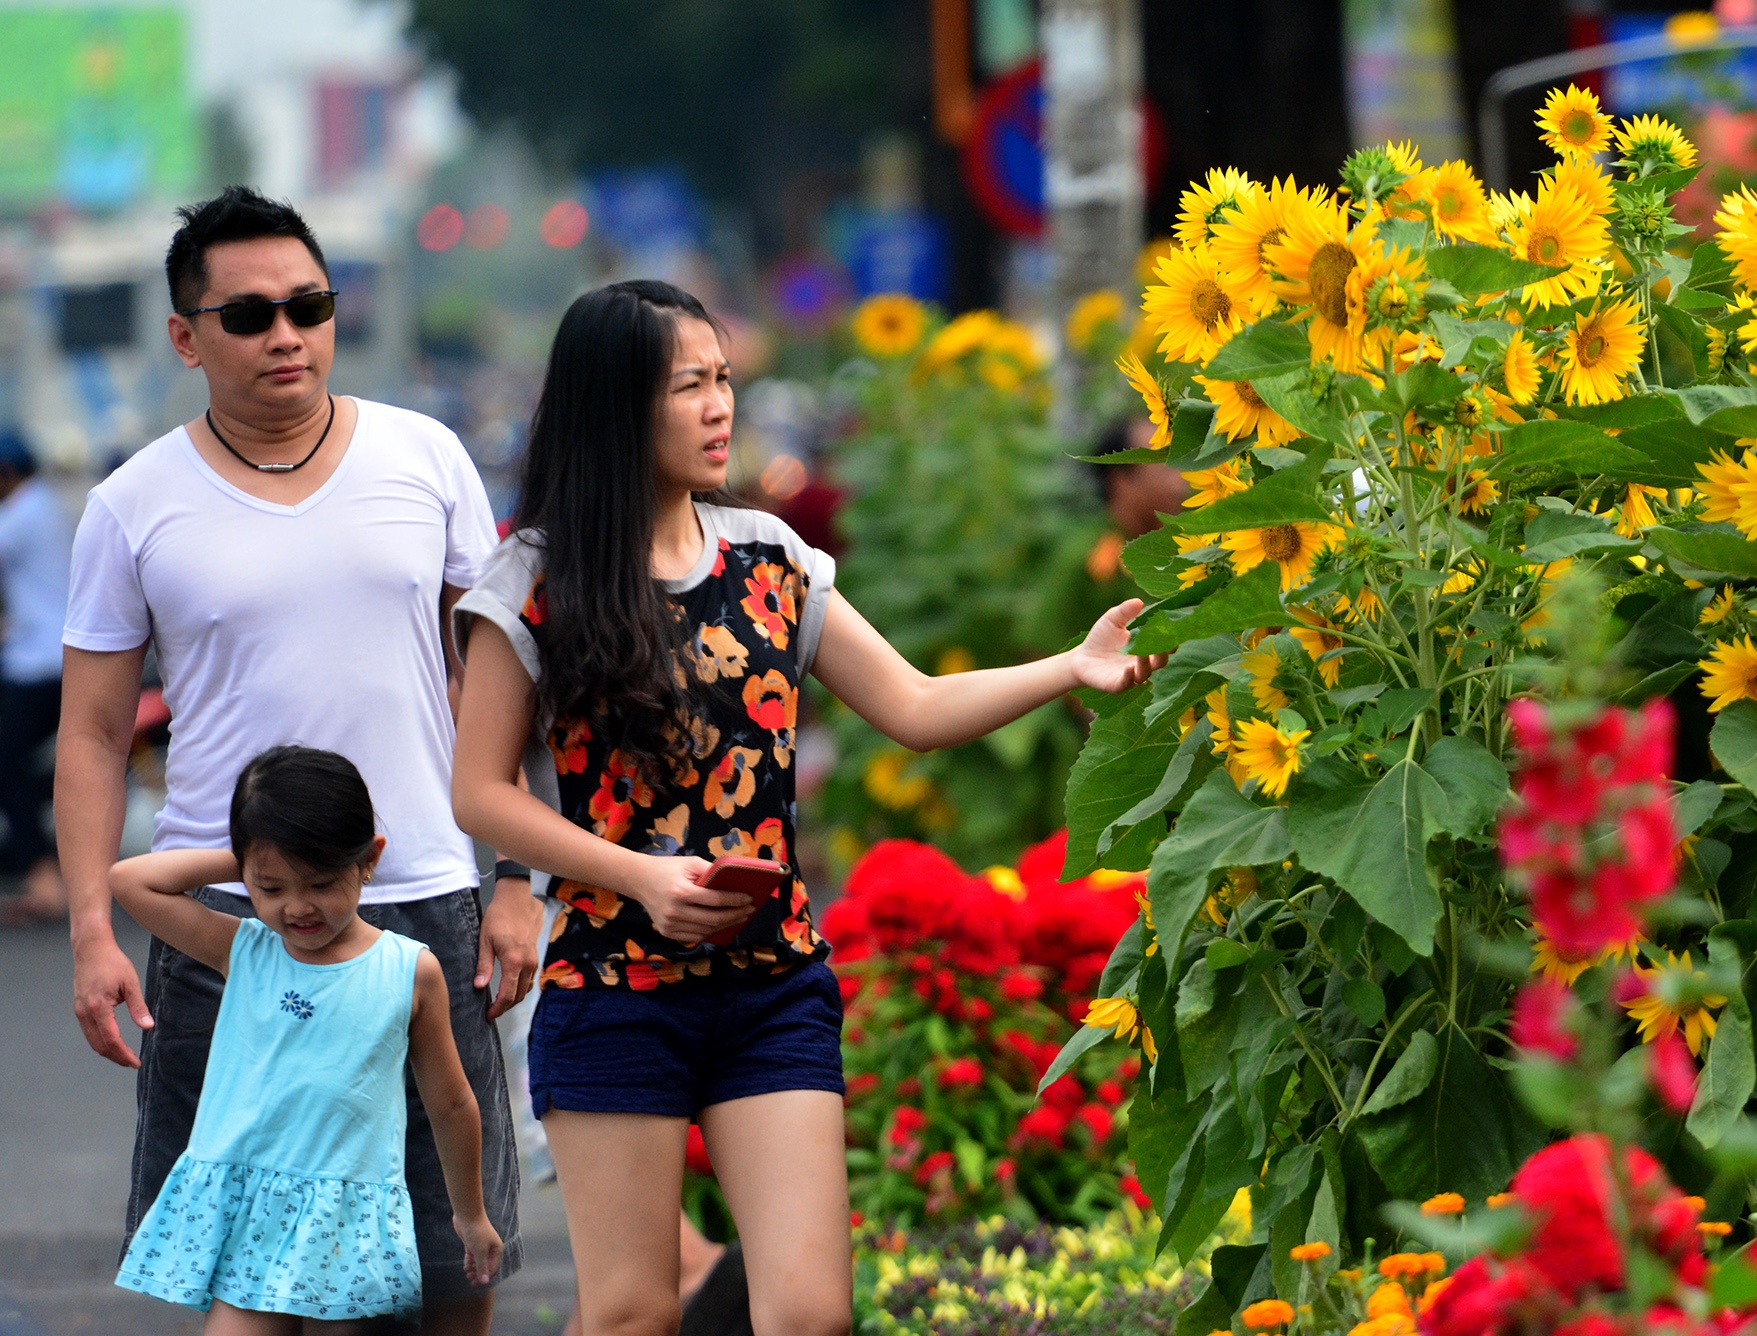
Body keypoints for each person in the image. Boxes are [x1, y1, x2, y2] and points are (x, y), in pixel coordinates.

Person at [450, 279, 1162, 1336]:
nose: (719, 407)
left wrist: (1071, 666)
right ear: (616, 405)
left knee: (811, 1312)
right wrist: (640, 876)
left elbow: (914, 706)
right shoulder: (531, 580)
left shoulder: (771, 557)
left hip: (772, 982)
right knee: (633, 1313)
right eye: (688, 386)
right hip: (612, 983)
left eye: (723, 379)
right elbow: (477, 793)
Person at [55, 186, 532, 1335]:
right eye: (250, 314)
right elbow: (94, 734)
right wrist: (90, 930)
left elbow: (494, 685)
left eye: (309, 306)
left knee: (446, 1269)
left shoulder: (427, 456)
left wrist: (518, 877)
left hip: (422, 900)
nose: (286, 334)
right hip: (231, 925)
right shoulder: (132, 504)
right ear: (187, 337)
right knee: (247, 1279)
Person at [110, 745, 504, 1331]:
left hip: (347, 1217)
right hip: (251, 1209)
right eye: (272, 888)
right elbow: (130, 880)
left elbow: (451, 1103)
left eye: (320, 882)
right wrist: (249, 858)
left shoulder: (408, 970)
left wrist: (470, 1214)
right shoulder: (244, 948)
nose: (297, 907)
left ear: (369, 859)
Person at [0, 429, 74, 924]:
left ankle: (43, 877)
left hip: (39, 663)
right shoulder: (43, 505)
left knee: (7, 764)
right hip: (46, 656)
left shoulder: (23, 511)